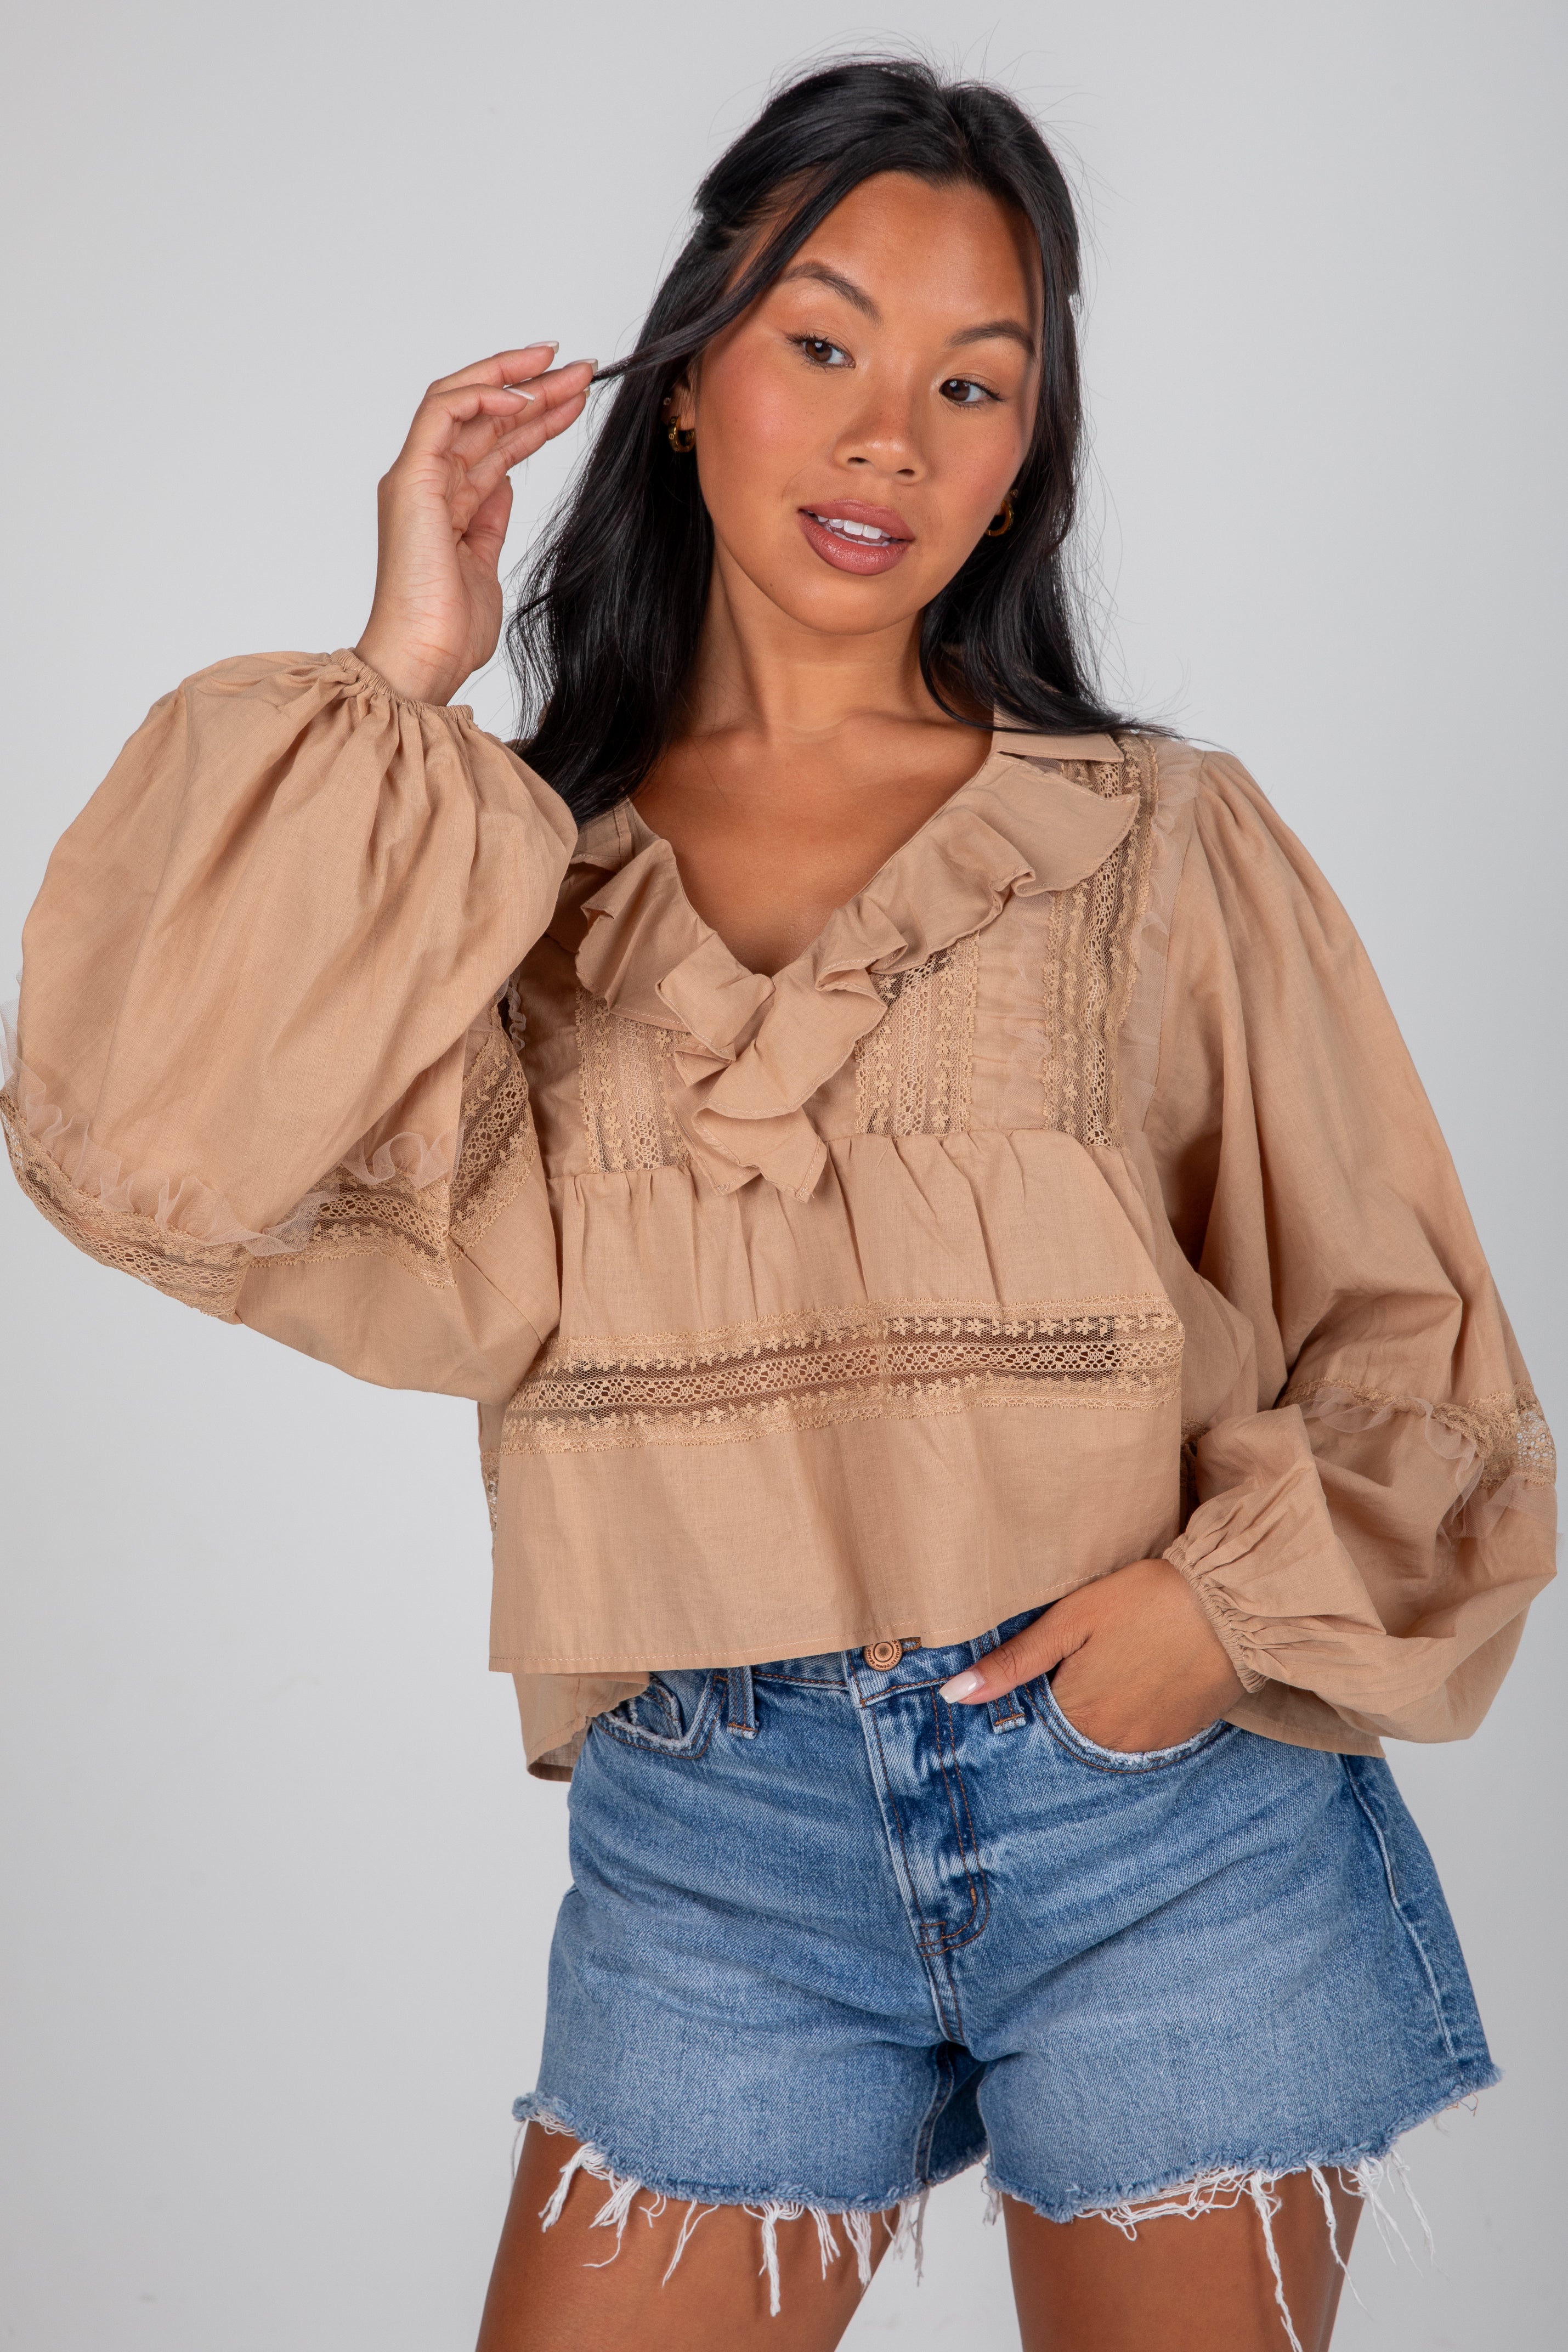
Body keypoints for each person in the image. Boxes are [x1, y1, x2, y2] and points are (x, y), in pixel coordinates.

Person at [2, 55, 1555, 2352]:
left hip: (1161, 1816)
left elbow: (1415, 1346)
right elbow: (139, 1146)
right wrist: (404, 671)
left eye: (974, 383)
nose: (888, 439)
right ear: (684, 376)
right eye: (821, 344)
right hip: (717, 1846)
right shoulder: (496, 887)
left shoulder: (1157, 841)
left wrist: (1205, 1628)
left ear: (1031, 451)